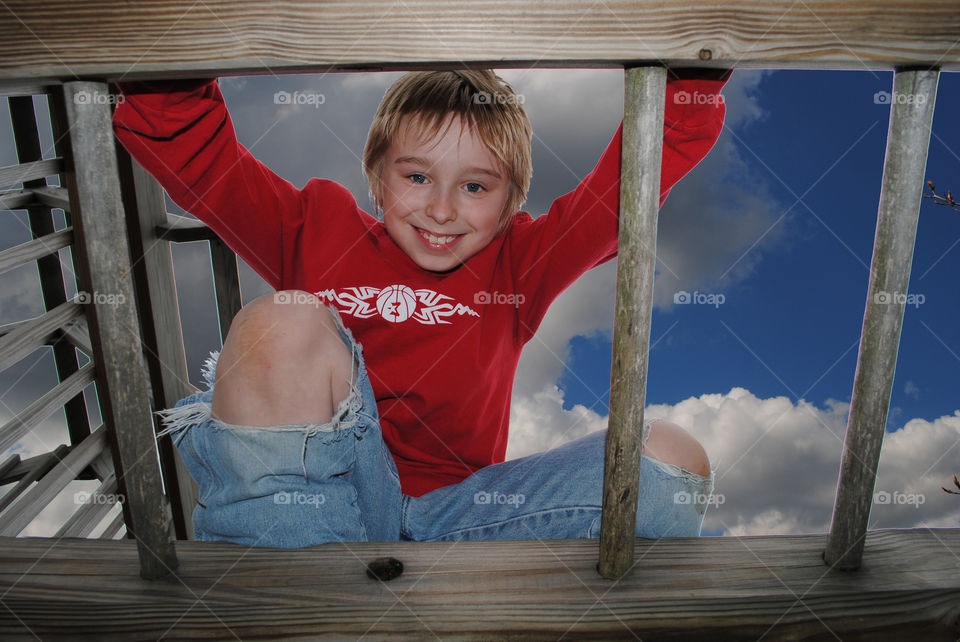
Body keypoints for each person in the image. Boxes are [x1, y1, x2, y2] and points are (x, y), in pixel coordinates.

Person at [113, 68, 729, 548]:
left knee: (671, 455)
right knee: (283, 318)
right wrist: (163, 53)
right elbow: (202, 156)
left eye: (476, 187)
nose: (441, 210)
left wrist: (692, 78)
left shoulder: (520, 263)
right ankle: (285, 579)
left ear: (511, 202)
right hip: (326, 498)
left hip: (461, 517)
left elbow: (623, 190)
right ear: (377, 177)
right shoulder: (313, 228)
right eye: (416, 177)